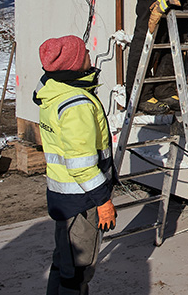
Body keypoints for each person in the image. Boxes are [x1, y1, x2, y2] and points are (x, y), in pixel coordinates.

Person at [34, 35, 116, 295]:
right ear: (75, 63)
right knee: (78, 271)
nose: (90, 58)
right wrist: (103, 201)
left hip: (63, 197)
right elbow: (81, 165)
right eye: (85, 55)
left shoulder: (52, 90)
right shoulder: (76, 105)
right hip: (82, 201)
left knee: (63, 261)